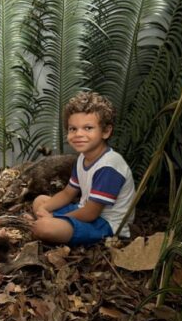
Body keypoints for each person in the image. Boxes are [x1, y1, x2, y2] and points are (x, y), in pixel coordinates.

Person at [30, 91, 135, 246]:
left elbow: (91, 213)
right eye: (73, 129)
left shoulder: (109, 166)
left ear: (106, 132)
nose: (78, 134)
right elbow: (67, 193)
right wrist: (44, 209)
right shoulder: (83, 158)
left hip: (106, 224)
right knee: (40, 201)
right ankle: (50, 221)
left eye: (88, 128)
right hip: (84, 210)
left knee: (44, 228)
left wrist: (54, 219)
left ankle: (52, 225)